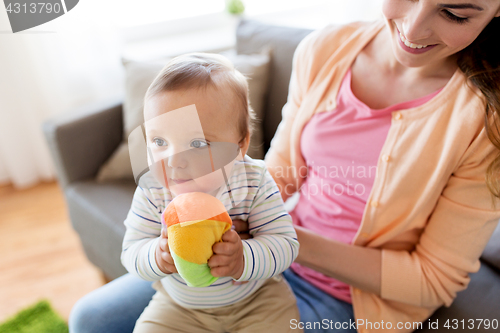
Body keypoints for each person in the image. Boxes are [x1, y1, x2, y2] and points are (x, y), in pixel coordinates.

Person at [69, 1, 500, 332]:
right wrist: (221, 209)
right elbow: (276, 171)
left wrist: (275, 238)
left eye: (454, 13)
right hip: (259, 250)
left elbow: (433, 280)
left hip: (350, 296)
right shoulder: (326, 49)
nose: (413, 27)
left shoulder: (486, 121)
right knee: (91, 317)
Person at [121, 53, 301, 332]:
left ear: (240, 145)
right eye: (159, 141)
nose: (173, 160)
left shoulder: (254, 182)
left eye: (197, 142)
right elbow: (131, 251)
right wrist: (156, 255)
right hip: (180, 308)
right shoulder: (153, 191)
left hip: (257, 302)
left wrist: (244, 257)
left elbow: (285, 244)